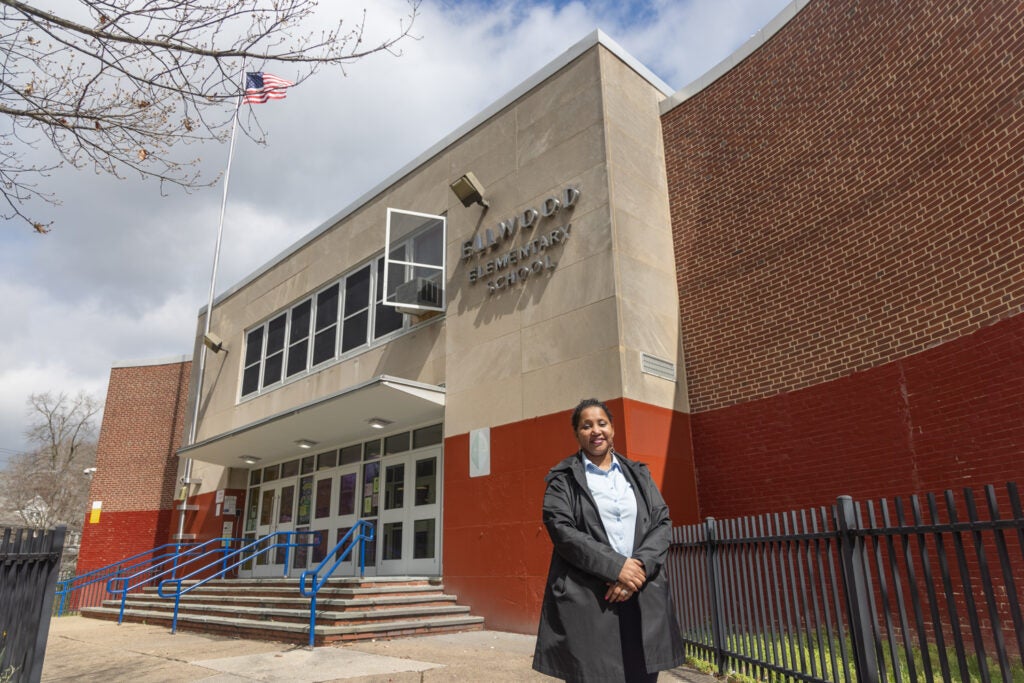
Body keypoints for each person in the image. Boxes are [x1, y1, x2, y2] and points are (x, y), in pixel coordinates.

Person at [533, 398, 686, 682]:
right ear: (577, 434)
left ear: (613, 428)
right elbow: (562, 531)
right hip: (591, 601)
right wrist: (617, 567)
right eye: (586, 426)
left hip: (641, 595)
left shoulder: (639, 474)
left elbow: (662, 522)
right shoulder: (562, 479)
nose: (595, 431)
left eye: (601, 423)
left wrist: (636, 568)